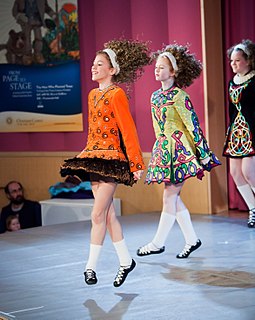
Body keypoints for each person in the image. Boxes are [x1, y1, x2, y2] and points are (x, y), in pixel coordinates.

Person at [60, 39, 151, 286]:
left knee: (97, 213)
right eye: (93, 64)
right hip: (94, 158)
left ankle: (90, 268)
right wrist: (84, 155)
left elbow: (128, 130)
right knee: (108, 215)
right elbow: (93, 132)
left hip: (112, 161)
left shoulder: (117, 93)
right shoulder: (92, 95)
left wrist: (136, 163)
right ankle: (126, 261)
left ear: (112, 70)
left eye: (99, 64)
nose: (93, 67)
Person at [137, 44, 221, 259]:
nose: (157, 70)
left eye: (162, 67)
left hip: (181, 151)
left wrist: (202, 153)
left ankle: (158, 243)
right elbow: (157, 127)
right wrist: (159, 149)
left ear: (173, 72)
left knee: (169, 196)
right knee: (173, 197)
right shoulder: (154, 96)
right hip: (165, 150)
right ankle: (192, 240)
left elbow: (192, 125)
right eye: (156, 67)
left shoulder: (180, 96)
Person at [223, 39, 255, 228]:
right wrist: (230, 131)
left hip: (251, 131)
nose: (233, 64)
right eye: (232, 61)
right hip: (236, 133)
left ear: (248, 61)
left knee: (248, 172)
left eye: (237, 61)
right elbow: (231, 110)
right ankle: (253, 209)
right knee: (235, 172)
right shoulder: (232, 82)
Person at [12, 0, 56, 64]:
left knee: (39, 38)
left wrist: (53, 15)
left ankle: (37, 54)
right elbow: (14, 11)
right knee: (26, 39)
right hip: (26, 22)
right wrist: (19, 16)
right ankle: (27, 55)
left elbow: (46, 8)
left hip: (37, 21)